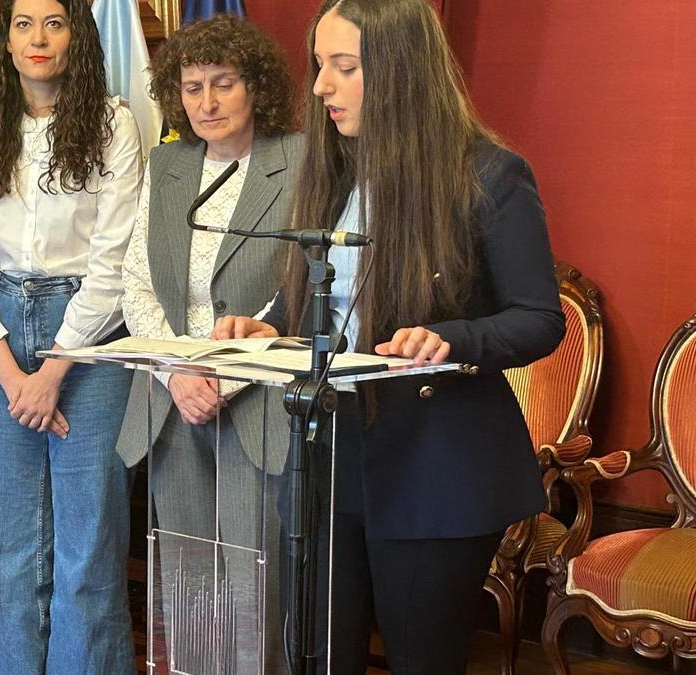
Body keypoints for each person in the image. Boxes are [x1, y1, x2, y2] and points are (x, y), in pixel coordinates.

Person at [212, 1, 565, 672]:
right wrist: (273, 323)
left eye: (344, 68)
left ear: (400, 71)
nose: (320, 87)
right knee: (319, 656)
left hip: (437, 469)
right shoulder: (332, 169)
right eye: (319, 66)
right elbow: (314, 294)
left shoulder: (489, 174)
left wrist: (451, 338)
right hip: (327, 458)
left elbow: (540, 317)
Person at [0, 0, 143, 670]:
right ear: (5, 36)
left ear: (76, 34)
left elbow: (115, 262)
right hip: (1, 338)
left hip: (90, 339)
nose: (37, 37)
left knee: (86, 549)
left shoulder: (113, 123)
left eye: (53, 22)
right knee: (5, 552)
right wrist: (12, 376)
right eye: (23, 23)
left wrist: (54, 369)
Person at [116, 14, 299, 673]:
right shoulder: (167, 164)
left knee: (257, 585)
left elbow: (301, 293)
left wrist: (230, 375)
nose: (207, 102)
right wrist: (176, 374)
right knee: (189, 583)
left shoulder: (298, 161)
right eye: (192, 87)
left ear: (258, 88)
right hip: (174, 399)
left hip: (258, 404)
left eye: (224, 84)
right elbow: (135, 283)